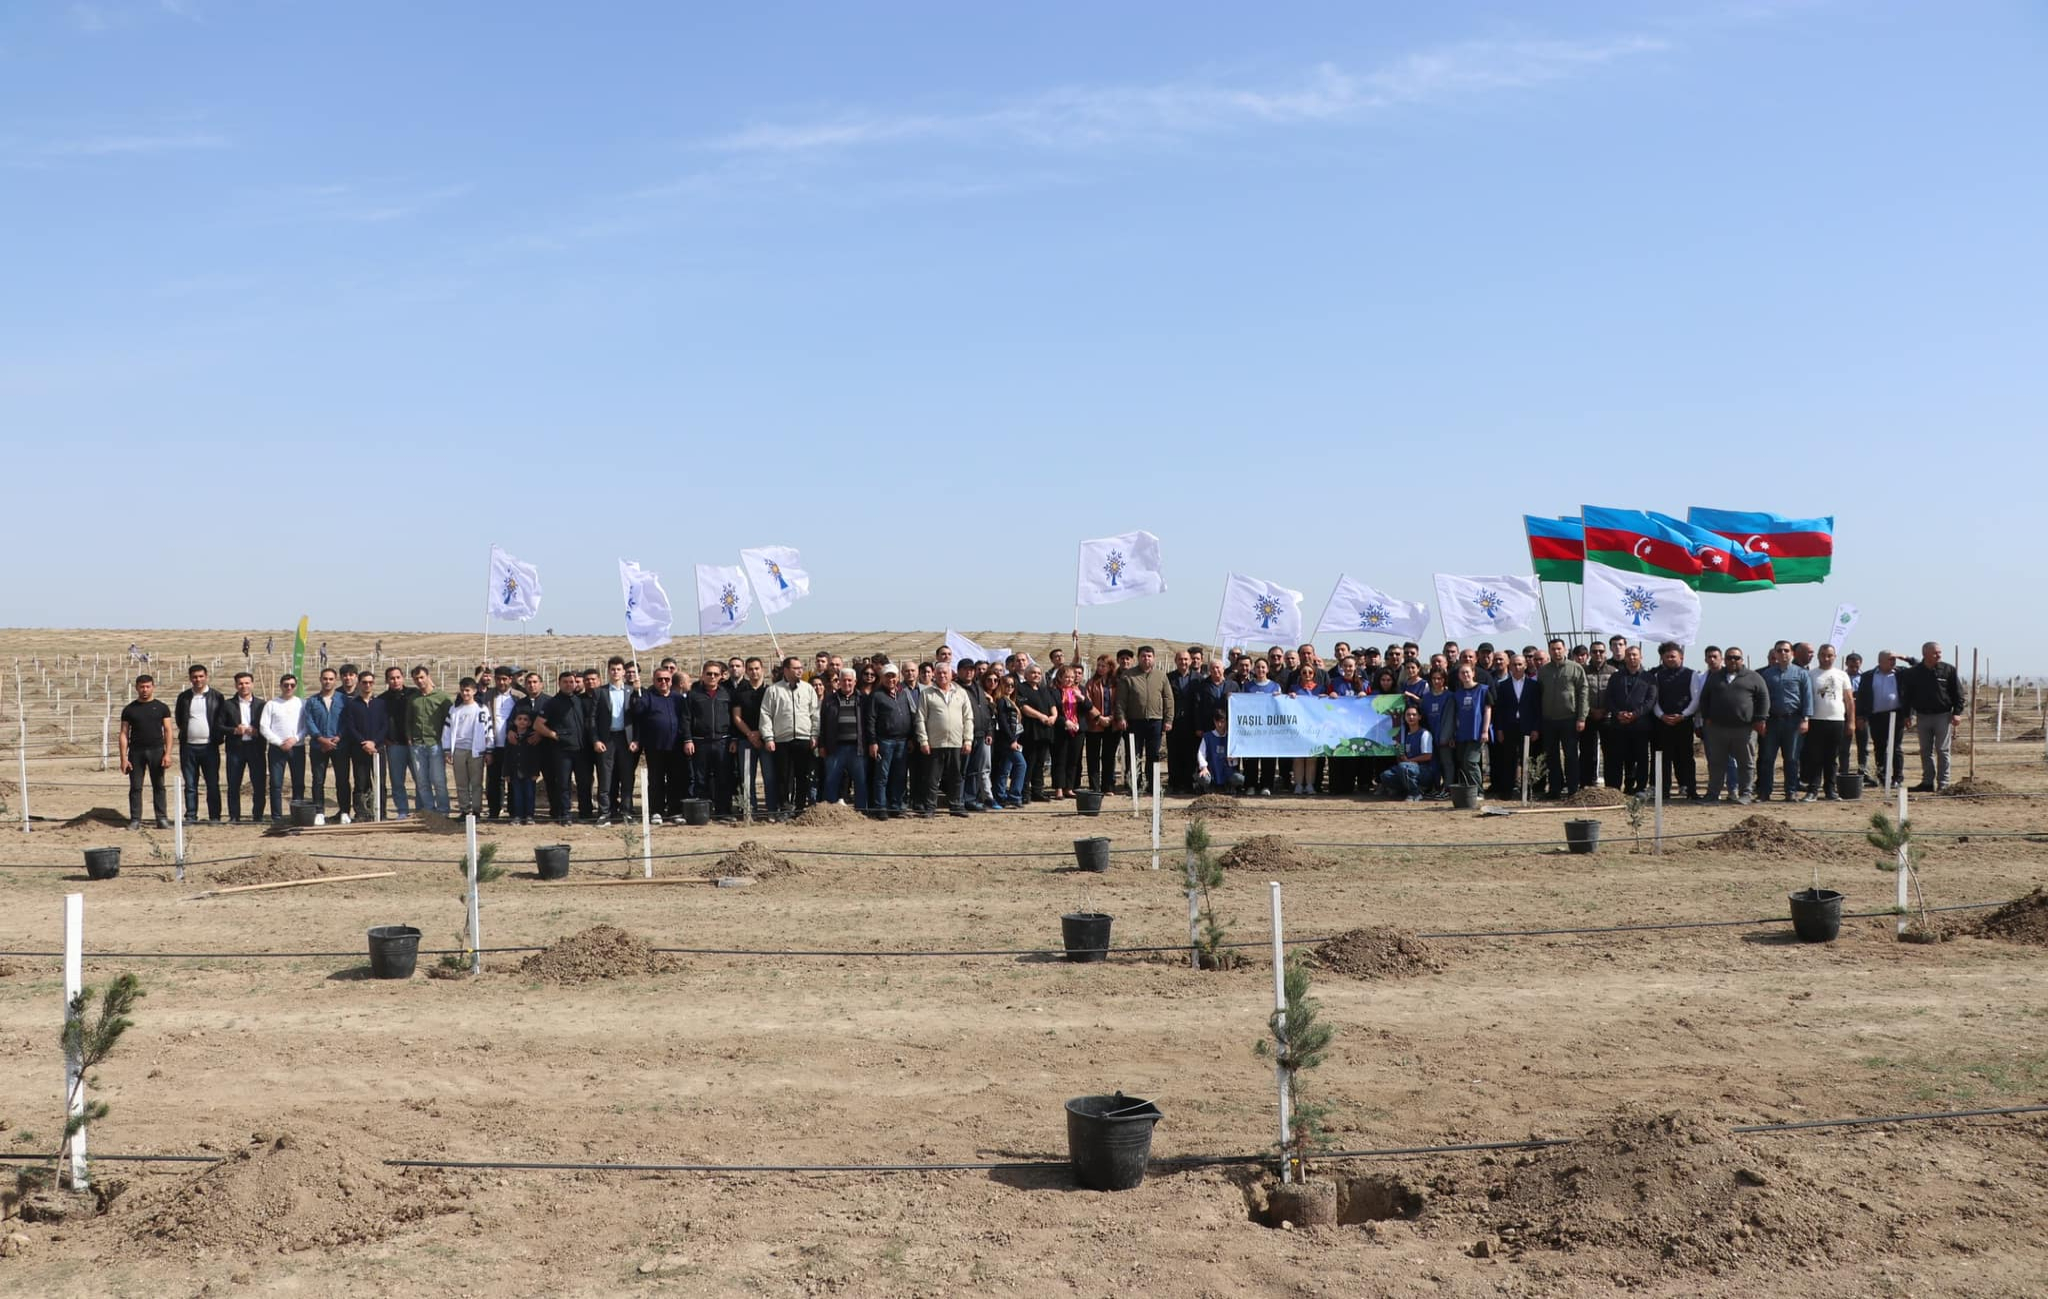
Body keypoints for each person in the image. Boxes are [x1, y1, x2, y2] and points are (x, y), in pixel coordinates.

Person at [1700, 646, 1769, 803]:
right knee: (1716, 763)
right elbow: (1705, 698)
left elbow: (1764, 698)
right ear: (1724, 660)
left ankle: (1746, 794)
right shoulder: (1715, 677)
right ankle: (1712, 794)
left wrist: (1760, 719)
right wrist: (1707, 716)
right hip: (1718, 729)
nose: (1733, 660)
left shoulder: (1753, 677)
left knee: (1746, 763)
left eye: (1736, 658)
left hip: (1744, 729)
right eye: (1730, 657)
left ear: (1742, 660)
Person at [758, 656, 819, 820]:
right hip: (781, 740)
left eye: (801, 668)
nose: (800, 671)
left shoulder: (808, 689)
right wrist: (768, 737)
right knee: (783, 777)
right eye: (795, 668)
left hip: (803, 739)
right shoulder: (773, 690)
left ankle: (800, 808)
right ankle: (784, 807)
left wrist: (814, 734)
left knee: (802, 776)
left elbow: (815, 714)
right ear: (786, 670)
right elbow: (766, 715)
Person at [1903, 641, 1967, 792]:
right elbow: (1907, 696)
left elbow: (1958, 694)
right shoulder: (1914, 673)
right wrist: (1907, 715)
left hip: (1942, 716)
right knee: (1925, 751)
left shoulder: (1948, 670)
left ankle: (1943, 783)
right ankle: (1927, 782)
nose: (1938, 655)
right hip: (1922, 716)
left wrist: (1957, 713)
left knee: (1943, 750)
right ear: (1925, 653)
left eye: (1940, 652)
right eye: (1935, 653)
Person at [913, 662, 974, 817]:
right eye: (939, 673)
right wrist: (923, 740)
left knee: (956, 776)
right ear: (934, 674)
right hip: (935, 743)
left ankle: (956, 806)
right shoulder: (927, 693)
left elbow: (968, 718)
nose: (942, 675)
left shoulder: (961, 693)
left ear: (951, 674)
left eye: (945, 673)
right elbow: (920, 718)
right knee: (932, 778)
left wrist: (968, 740)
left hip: (956, 742)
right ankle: (930, 807)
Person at [1796, 643, 1854, 801]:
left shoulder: (1842, 675)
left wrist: (1851, 722)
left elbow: (1849, 700)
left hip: (1837, 720)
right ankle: (1813, 790)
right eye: (1823, 655)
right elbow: (1805, 698)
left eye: (1829, 655)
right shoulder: (1810, 674)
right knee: (1815, 757)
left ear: (1834, 657)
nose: (1826, 658)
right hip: (1816, 721)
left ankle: (1830, 790)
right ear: (1818, 656)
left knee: (1832, 757)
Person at [1756, 642, 1813, 802]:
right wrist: (1761, 719)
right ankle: (1764, 792)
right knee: (1767, 758)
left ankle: (1791, 791)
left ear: (1792, 653)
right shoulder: (1767, 674)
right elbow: (1762, 699)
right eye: (1779, 651)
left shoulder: (1801, 673)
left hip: (1793, 721)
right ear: (1775, 653)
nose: (1783, 653)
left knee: (1792, 759)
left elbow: (1807, 697)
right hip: (1772, 721)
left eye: (1786, 650)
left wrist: (1806, 719)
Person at [173, 663, 228, 823]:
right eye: (194, 677)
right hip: (188, 747)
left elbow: (220, 719)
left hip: (209, 747)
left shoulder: (217, 696)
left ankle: (214, 816)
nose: (198, 680)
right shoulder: (184, 697)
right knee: (190, 784)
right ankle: (191, 815)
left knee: (212, 783)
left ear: (206, 677)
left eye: (201, 676)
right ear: (190, 678)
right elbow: (179, 719)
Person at [119, 674, 174, 829]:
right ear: (136, 688)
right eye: (142, 687)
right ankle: (135, 819)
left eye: (148, 686)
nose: (145, 690)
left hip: (157, 750)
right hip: (136, 752)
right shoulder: (129, 709)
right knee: (136, 787)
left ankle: (161, 819)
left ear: (153, 687)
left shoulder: (162, 707)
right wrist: (123, 758)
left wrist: (168, 754)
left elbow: (168, 731)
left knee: (159, 786)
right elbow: (123, 733)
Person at [630, 666, 685, 822]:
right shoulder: (647, 696)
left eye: (666, 679)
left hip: (675, 746)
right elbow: (637, 710)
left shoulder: (678, 698)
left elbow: (685, 719)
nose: (663, 682)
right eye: (659, 679)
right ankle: (656, 810)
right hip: (655, 746)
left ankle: (674, 811)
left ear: (671, 681)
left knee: (675, 779)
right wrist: (636, 692)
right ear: (654, 681)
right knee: (656, 780)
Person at [683, 660, 736, 819]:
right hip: (700, 742)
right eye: (709, 673)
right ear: (702, 675)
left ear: (721, 676)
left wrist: (734, 738)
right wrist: (688, 740)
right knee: (700, 778)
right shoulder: (693, 695)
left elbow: (733, 718)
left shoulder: (727, 694)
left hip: (723, 742)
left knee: (724, 777)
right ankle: (702, 813)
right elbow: (686, 719)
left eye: (715, 674)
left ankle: (723, 811)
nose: (712, 677)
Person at [1536, 638, 1588, 798]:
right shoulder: (1543, 671)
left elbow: (1583, 693)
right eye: (1553, 649)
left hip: (1569, 719)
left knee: (1571, 755)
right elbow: (1539, 694)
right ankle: (1555, 789)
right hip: (1549, 720)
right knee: (1551, 757)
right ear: (1549, 651)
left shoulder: (1575, 668)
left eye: (1559, 648)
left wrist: (1581, 718)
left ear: (1565, 649)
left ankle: (1573, 790)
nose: (1556, 652)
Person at [1650, 642, 1701, 802]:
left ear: (1681, 657)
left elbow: (1696, 699)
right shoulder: (1658, 676)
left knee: (1686, 758)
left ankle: (1691, 790)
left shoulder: (1691, 674)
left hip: (1683, 722)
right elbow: (1655, 700)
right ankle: (1664, 791)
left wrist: (1683, 715)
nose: (1670, 659)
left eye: (1673, 656)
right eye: (1667, 657)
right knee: (1664, 759)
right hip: (1664, 723)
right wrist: (1661, 716)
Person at [1604, 645, 1658, 795]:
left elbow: (1650, 701)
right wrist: (1618, 713)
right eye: (1629, 655)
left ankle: (1640, 787)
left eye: (1635, 655)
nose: (1632, 658)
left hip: (1640, 725)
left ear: (1641, 657)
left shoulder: (1649, 678)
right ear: (1625, 658)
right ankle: (1615, 789)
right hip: (1618, 725)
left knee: (1641, 758)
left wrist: (1634, 714)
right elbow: (1609, 698)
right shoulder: (1616, 677)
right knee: (1617, 758)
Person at [536, 671, 586, 826]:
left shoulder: (579, 700)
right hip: (562, 751)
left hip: (581, 749)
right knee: (563, 784)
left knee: (584, 782)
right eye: (565, 682)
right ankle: (565, 814)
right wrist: (554, 735)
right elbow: (538, 724)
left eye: (571, 682)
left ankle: (585, 813)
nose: (569, 685)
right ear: (559, 683)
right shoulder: (552, 703)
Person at [817, 668, 872, 810]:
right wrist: (822, 745)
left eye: (849, 680)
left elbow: (869, 723)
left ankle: (861, 811)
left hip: (857, 747)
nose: (847, 683)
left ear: (855, 681)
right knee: (831, 780)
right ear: (839, 682)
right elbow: (822, 724)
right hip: (835, 747)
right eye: (843, 680)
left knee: (860, 781)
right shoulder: (829, 700)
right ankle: (830, 811)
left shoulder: (863, 699)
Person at [1855, 650, 1911, 790]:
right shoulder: (1868, 676)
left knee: (1895, 747)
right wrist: (1860, 716)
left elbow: (1919, 666)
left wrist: (1904, 657)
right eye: (1890, 659)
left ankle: (1897, 778)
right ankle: (1883, 776)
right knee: (1879, 747)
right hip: (1876, 716)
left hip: (1896, 715)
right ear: (1880, 661)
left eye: (1894, 659)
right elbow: (1861, 697)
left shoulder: (1901, 673)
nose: (1893, 662)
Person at [404, 666, 454, 815]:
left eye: (421, 677)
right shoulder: (413, 699)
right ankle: (429, 811)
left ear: (428, 676)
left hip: (436, 744)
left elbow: (449, 721)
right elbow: (408, 720)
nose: (419, 681)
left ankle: (443, 810)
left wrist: (447, 743)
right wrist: (409, 737)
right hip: (417, 744)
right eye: (416, 679)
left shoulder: (442, 698)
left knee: (438, 780)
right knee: (422, 782)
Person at [1489, 656, 1541, 800]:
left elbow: (1537, 709)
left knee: (1528, 759)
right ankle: (1507, 791)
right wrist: (1499, 729)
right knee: (1508, 759)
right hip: (1509, 727)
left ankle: (1527, 791)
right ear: (1509, 666)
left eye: (1519, 664)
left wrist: (1536, 728)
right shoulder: (1503, 685)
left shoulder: (1533, 685)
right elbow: (1499, 710)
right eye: (1514, 665)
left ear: (1525, 666)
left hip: (1527, 727)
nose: (1517, 667)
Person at [590, 657, 633, 826]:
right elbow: (592, 719)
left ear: (624, 672)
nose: (616, 672)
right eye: (613, 669)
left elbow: (637, 718)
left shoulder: (631, 691)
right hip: (606, 740)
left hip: (625, 739)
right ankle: (604, 812)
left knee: (627, 777)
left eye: (618, 669)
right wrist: (595, 740)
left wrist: (635, 739)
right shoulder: (600, 692)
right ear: (608, 671)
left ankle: (627, 811)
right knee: (605, 777)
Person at [222, 671, 267, 824]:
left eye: (247, 683)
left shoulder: (262, 705)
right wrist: (235, 730)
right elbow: (219, 726)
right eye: (240, 683)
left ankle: (258, 815)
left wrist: (257, 731)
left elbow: (269, 726)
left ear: (252, 684)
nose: (244, 686)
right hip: (235, 749)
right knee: (234, 784)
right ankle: (234, 816)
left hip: (256, 748)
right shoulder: (227, 705)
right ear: (236, 685)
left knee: (259, 784)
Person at [302, 667, 347, 818]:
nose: (328, 682)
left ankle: (344, 811)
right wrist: (320, 739)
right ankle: (319, 812)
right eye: (325, 679)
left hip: (339, 746)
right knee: (318, 780)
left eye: (331, 679)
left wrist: (339, 737)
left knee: (342, 780)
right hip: (318, 746)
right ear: (320, 680)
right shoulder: (312, 701)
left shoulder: (343, 700)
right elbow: (309, 721)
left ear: (335, 680)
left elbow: (347, 721)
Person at [260, 674, 307, 822]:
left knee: (298, 783)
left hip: (297, 747)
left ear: (296, 686)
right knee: (276, 784)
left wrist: (295, 739)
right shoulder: (271, 704)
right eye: (286, 685)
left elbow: (306, 726)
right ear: (280, 686)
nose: (289, 688)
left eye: (292, 685)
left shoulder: (302, 703)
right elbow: (264, 727)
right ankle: (277, 816)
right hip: (277, 749)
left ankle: (297, 815)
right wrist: (280, 742)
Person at [1236, 656, 1282, 795]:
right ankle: (1250, 785)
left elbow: (1281, 707)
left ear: (1267, 669)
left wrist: (1279, 698)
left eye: (1263, 667)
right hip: (1252, 728)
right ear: (1254, 669)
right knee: (1251, 758)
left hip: (1269, 729)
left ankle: (1266, 786)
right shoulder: (1247, 686)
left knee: (1268, 758)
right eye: (1258, 667)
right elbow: (1241, 704)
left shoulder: (1275, 686)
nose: (1260, 669)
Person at [340, 667, 379, 822]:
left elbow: (382, 724)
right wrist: (363, 742)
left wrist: (373, 742)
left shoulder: (376, 701)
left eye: (370, 682)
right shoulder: (345, 699)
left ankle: (374, 810)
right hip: (352, 745)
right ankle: (357, 812)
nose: (367, 685)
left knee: (375, 780)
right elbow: (349, 724)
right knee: (357, 780)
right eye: (364, 682)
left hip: (373, 746)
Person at [378, 666, 417, 820]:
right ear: (387, 680)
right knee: (397, 781)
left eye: (398, 677)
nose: (395, 681)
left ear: (403, 677)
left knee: (420, 779)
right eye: (392, 678)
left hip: (414, 744)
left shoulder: (413, 694)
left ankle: (421, 809)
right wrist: (385, 739)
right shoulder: (382, 699)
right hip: (394, 745)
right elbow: (379, 722)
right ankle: (402, 810)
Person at [1016, 663, 1058, 802]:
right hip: (1031, 732)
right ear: (1026, 675)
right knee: (1029, 762)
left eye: (1039, 673)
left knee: (1040, 763)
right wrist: (1041, 716)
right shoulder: (1021, 688)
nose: (1036, 675)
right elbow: (1024, 707)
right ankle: (1024, 792)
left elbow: (1052, 705)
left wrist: (1053, 716)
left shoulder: (1044, 690)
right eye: (1033, 673)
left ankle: (1037, 791)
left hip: (1045, 731)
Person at [1378, 705, 1437, 800]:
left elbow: (1428, 756)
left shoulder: (1425, 734)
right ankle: (1410, 789)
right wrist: (1400, 754)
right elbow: (1402, 757)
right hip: (1407, 768)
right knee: (1385, 775)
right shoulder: (1404, 735)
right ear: (1405, 718)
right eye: (1408, 715)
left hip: (1424, 770)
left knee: (1404, 767)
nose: (1411, 717)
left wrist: (1409, 761)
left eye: (1414, 715)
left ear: (1419, 717)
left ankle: (1415, 794)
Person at [1449, 662, 1491, 793]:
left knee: (1470, 761)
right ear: (1459, 676)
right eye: (1462, 673)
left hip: (1477, 732)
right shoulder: (1457, 694)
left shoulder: (1483, 689)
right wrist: (1453, 734)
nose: (1465, 675)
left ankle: (1478, 791)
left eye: (1467, 672)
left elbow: (1487, 710)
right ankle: (1468, 791)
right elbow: (1455, 716)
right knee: (1463, 762)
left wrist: (1485, 731)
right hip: (1462, 733)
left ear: (1473, 673)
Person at [988, 672, 1027, 808]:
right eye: (1007, 685)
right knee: (1021, 765)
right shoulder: (1002, 701)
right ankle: (1014, 796)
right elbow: (1003, 722)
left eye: (1012, 685)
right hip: (1007, 740)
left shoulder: (1011, 701)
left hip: (1013, 738)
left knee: (1005, 768)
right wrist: (1011, 740)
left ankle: (1000, 795)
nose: (1010, 687)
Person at [1051, 664, 1089, 799]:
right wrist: (1065, 722)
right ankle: (1059, 788)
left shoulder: (1080, 690)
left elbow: (1088, 707)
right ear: (1060, 677)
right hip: (1061, 729)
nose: (1070, 680)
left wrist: (1082, 699)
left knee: (1074, 760)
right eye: (1067, 677)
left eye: (1072, 677)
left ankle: (1069, 787)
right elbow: (1054, 710)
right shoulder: (1054, 691)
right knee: (1060, 759)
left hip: (1078, 729)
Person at [503, 708, 542, 824]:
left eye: (525, 719)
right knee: (517, 795)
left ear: (529, 723)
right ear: (515, 721)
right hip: (515, 771)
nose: (522, 721)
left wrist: (536, 772)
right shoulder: (510, 738)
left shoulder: (532, 737)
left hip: (529, 772)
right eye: (519, 719)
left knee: (529, 794)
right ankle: (517, 816)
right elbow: (507, 756)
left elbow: (536, 756)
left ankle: (529, 815)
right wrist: (506, 773)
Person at [1286, 665, 1321, 795]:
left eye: (1310, 672)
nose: (1307, 675)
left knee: (1312, 757)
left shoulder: (1320, 689)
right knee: (1298, 757)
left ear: (1314, 674)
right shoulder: (1294, 688)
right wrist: (1288, 697)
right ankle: (1299, 785)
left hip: (1314, 727)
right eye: (1304, 672)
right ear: (1300, 674)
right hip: (1298, 727)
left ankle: (1310, 785)